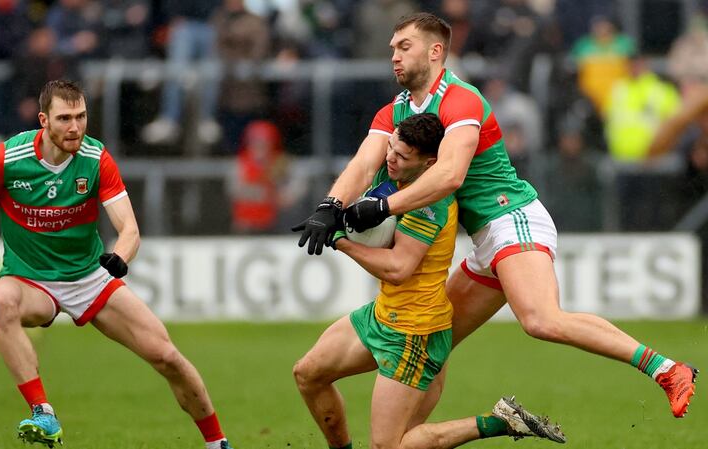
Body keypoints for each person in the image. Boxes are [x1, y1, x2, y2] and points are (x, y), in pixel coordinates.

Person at [294, 12, 697, 420]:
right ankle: (409, 439)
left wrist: (382, 207)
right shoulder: (395, 111)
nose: (394, 56)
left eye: (404, 46)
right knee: (433, 337)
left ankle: (666, 369)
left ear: (435, 51)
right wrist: (330, 207)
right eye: (393, 48)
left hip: (512, 218)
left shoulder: (460, 100)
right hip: (486, 238)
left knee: (540, 320)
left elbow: (450, 176)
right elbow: (364, 164)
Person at [0, 80, 233, 449]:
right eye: (65, 118)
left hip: (89, 278)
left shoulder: (96, 159)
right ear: (43, 120)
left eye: (81, 116)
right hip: (31, 281)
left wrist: (120, 256)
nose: (75, 127)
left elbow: (129, 229)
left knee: (167, 357)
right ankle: (43, 413)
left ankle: (217, 444)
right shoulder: (8, 158)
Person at [293, 113, 566, 449]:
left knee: (388, 447)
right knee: (308, 375)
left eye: (402, 156)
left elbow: (398, 269)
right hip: (383, 314)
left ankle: (497, 422)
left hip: (414, 333)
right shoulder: (393, 170)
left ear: (429, 163)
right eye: (391, 147)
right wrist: (329, 210)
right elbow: (361, 170)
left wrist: (340, 241)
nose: (390, 158)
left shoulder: (431, 204)